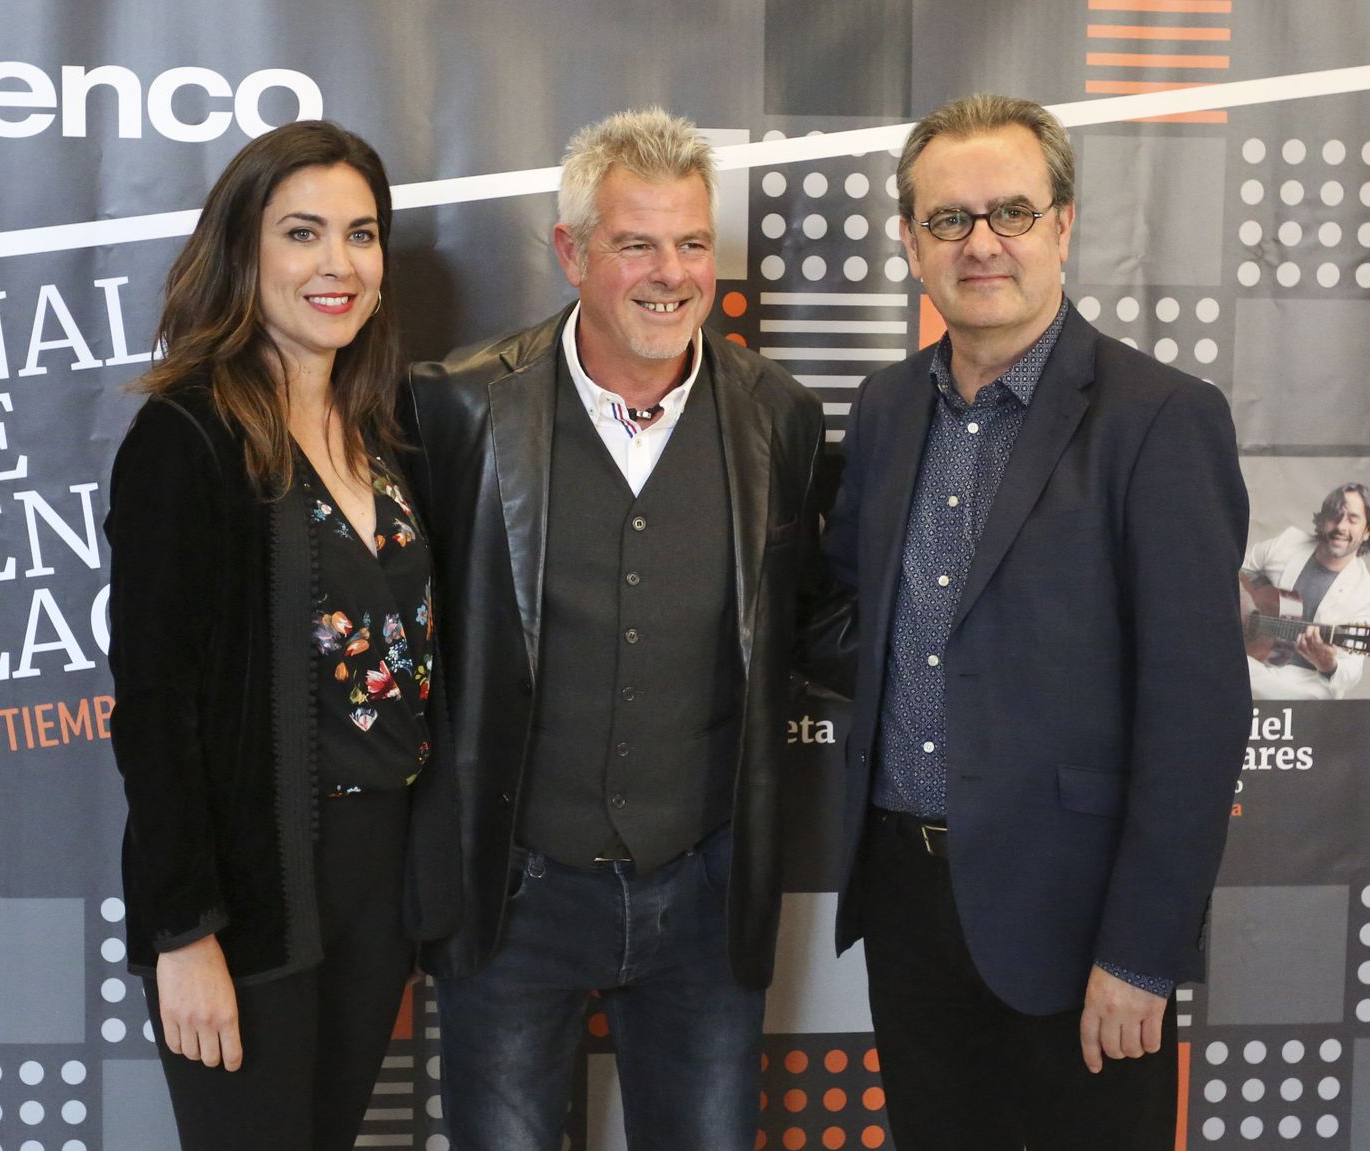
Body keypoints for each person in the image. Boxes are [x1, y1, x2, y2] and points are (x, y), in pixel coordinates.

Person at [399, 107, 848, 1151]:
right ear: (571, 251)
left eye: (692, 242)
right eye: (635, 241)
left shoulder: (774, 412)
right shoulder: (462, 409)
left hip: (703, 887)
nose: (671, 272)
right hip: (512, 894)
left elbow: (815, 620)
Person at [821, 94, 1250, 1150]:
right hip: (909, 905)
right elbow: (844, 607)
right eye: (948, 219)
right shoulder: (881, 409)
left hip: (1079, 923)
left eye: (1009, 212)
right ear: (910, 242)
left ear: (1062, 225)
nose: (980, 244)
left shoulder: (1160, 419)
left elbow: (1196, 714)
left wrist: (1143, 951)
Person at [105, 120, 431, 1150]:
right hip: (251, 895)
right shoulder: (187, 434)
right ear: (245, 251)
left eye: (362, 234)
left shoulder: (386, 425)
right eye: (303, 233)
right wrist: (184, 932)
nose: (339, 263)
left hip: (379, 889)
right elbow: (155, 705)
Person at [1242, 482, 1370, 700]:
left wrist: (1328, 664)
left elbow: (1352, 671)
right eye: (1335, 515)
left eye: (1352, 519)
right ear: (1323, 520)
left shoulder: (1365, 592)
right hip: (1254, 656)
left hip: (1304, 682)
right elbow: (1234, 569)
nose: (1341, 526)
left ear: (1367, 532)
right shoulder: (1288, 542)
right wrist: (1245, 607)